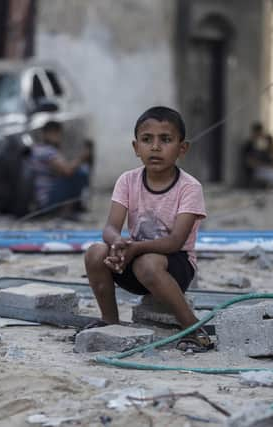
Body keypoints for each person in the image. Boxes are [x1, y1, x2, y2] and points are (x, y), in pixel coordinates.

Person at [83, 106, 213, 352]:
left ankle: (193, 328)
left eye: (165, 140)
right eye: (146, 140)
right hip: (133, 257)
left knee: (148, 263)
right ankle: (109, 319)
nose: (155, 147)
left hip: (175, 265)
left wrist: (134, 248)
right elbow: (111, 227)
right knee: (95, 253)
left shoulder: (189, 188)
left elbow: (175, 241)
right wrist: (118, 243)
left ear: (182, 148)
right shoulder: (127, 181)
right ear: (136, 148)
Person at [31, 121, 91, 217]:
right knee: (80, 173)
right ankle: (66, 211)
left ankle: (69, 209)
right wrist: (82, 157)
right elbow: (67, 171)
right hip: (46, 200)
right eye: (57, 134)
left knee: (78, 172)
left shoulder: (38, 148)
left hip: (42, 198)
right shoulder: (47, 151)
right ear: (48, 134)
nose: (59, 137)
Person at [240, 122, 273, 188]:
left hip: (266, 170)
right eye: (258, 133)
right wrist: (267, 166)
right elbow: (250, 162)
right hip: (258, 172)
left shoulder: (262, 145)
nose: (260, 135)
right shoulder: (249, 145)